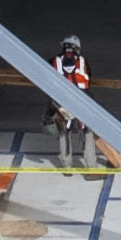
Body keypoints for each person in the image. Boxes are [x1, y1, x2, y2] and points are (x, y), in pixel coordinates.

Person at [47, 34, 98, 168]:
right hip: (81, 101)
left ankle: (67, 166)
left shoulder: (54, 60)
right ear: (77, 48)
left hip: (62, 102)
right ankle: (91, 167)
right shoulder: (82, 61)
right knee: (86, 131)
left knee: (64, 129)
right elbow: (88, 80)